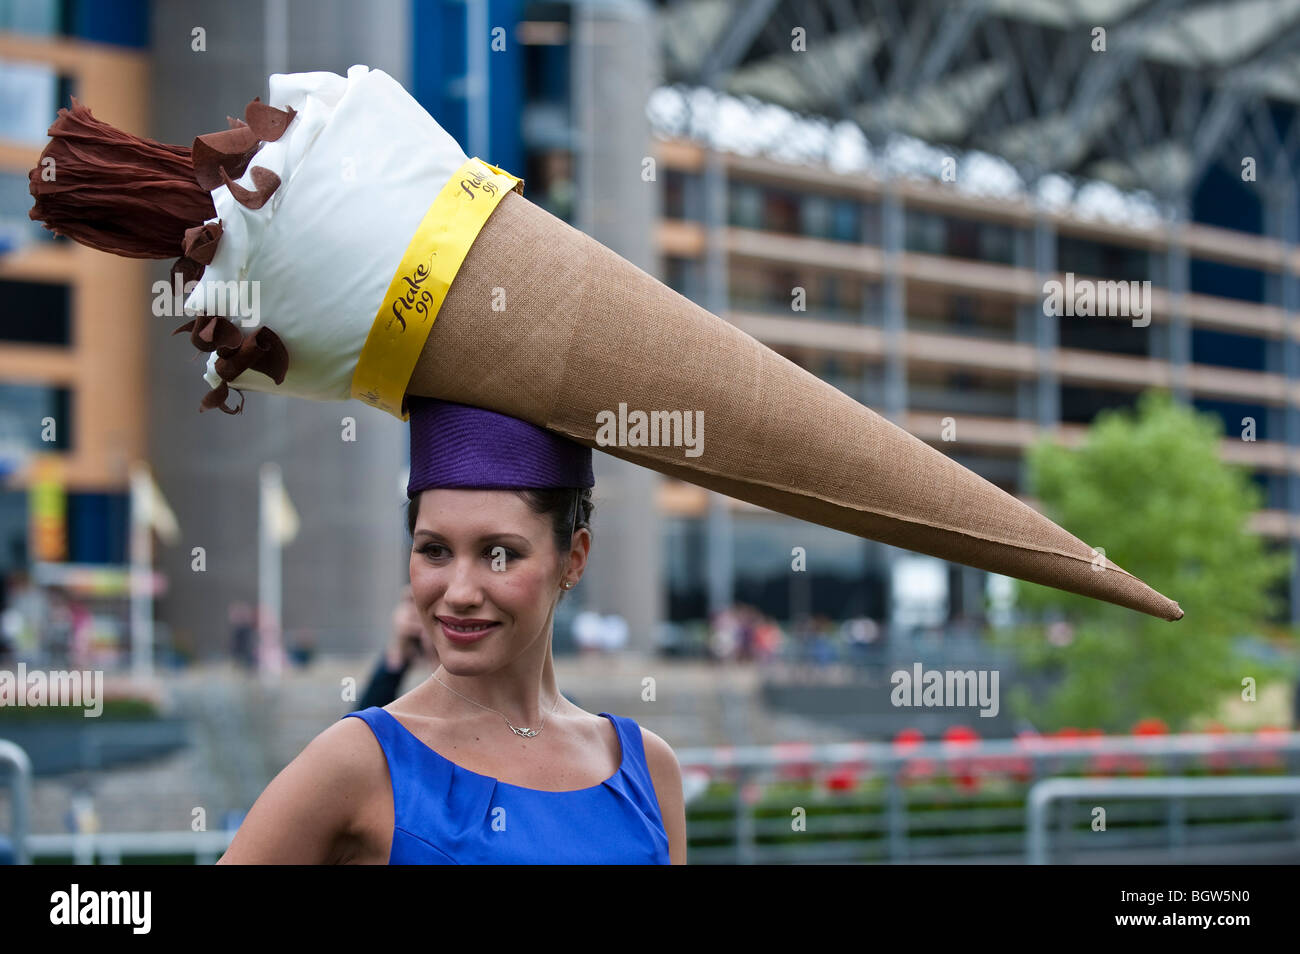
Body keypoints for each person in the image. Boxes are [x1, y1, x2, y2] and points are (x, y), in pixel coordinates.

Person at [219, 398, 685, 864]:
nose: (459, 591)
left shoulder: (647, 768)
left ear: (574, 558)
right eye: (435, 550)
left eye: (498, 554)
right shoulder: (357, 761)